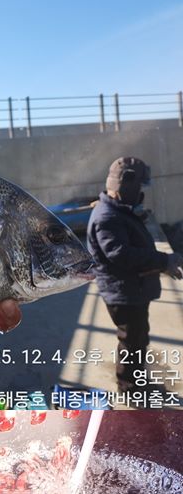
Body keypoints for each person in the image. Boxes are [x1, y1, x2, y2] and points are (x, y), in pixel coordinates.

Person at [86, 151, 169, 380]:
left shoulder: (116, 210)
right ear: (128, 186)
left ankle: (134, 378)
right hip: (124, 294)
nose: (141, 193)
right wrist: (164, 261)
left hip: (131, 290)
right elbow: (122, 255)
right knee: (131, 341)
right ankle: (129, 387)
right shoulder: (107, 217)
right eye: (139, 187)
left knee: (138, 337)